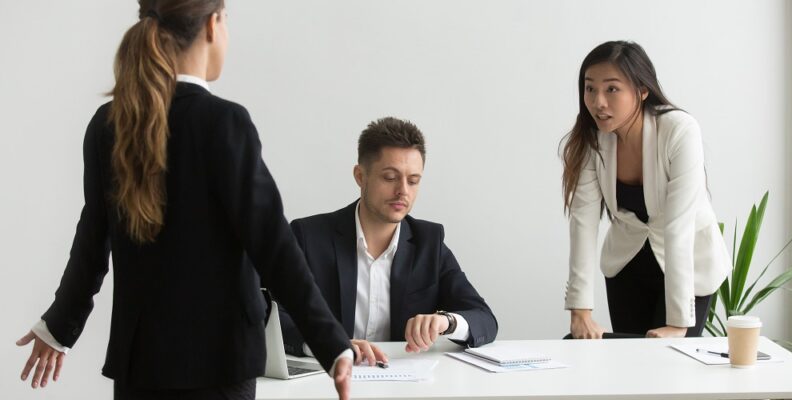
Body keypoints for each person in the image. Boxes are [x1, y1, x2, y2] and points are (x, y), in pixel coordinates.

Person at [15, 1, 354, 399]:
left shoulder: (108, 124)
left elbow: (92, 241)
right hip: (220, 364)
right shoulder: (225, 122)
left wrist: (59, 326)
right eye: (227, 21)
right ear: (212, 26)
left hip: (140, 363)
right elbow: (274, 247)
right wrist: (332, 346)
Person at [279, 117, 498, 365]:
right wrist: (326, 342)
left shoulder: (429, 242)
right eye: (390, 177)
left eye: (413, 180)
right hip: (327, 383)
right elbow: (271, 315)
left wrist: (446, 322)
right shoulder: (308, 236)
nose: (403, 191)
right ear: (361, 176)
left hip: (402, 384)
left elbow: (484, 319)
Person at [560, 41, 730, 339]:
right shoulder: (594, 140)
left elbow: (679, 226)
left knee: (674, 370)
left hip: (688, 264)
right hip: (627, 264)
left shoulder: (679, 129)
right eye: (590, 89)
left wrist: (678, 324)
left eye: (612, 89)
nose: (598, 101)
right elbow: (583, 222)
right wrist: (580, 311)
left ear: (642, 90)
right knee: (633, 371)